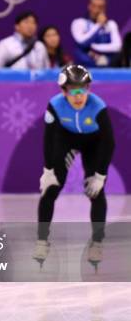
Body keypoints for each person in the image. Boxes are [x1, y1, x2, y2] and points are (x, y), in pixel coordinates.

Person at [34, 64, 115, 269]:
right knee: (50, 189)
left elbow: (109, 142)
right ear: (63, 91)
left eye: (83, 89)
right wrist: (48, 169)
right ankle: (42, 240)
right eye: (73, 91)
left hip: (93, 143)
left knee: (95, 191)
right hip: (66, 139)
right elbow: (49, 139)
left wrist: (100, 175)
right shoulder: (55, 105)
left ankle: (97, 242)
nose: (79, 96)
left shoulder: (98, 106)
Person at [71, 0, 121, 67]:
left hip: (107, 64)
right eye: (94, 6)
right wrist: (99, 25)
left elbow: (117, 47)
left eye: (100, 7)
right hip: (86, 66)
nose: (96, 10)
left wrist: (94, 48)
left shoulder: (111, 24)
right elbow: (82, 42)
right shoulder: (79, 23)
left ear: (104, 8)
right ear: (89, 6)